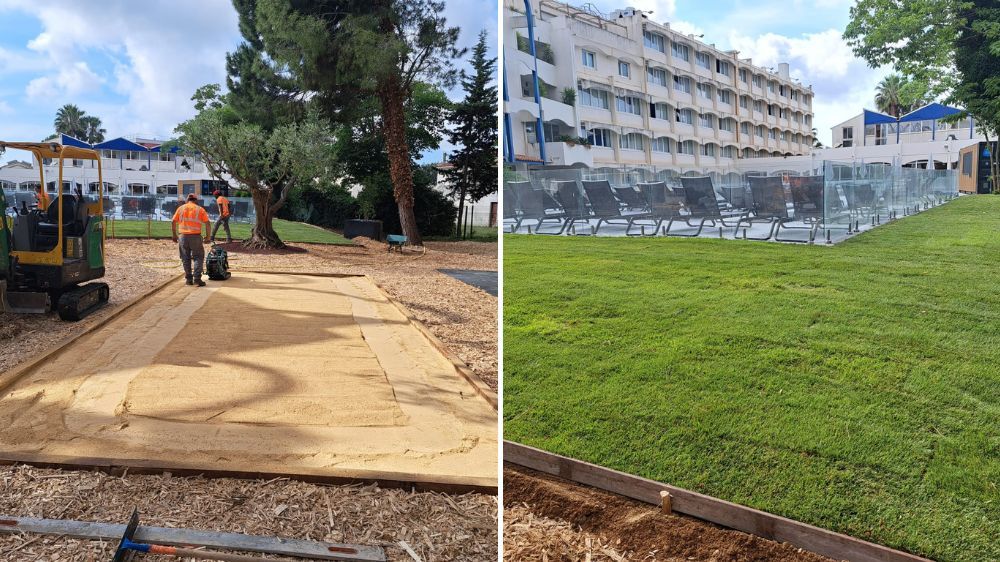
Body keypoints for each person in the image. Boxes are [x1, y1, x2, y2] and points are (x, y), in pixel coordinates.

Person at [171, 193, 211, 286]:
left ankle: (189, 279)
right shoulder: (200, 209)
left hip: (183, 237)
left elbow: (173, 221)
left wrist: (174, 235)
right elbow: (207, 223)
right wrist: (208, 237)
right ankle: (197, 278)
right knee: (198, 257)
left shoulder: (180, 208)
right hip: (196, 237)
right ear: (196, 200)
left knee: (185, 258)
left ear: (187, 200)